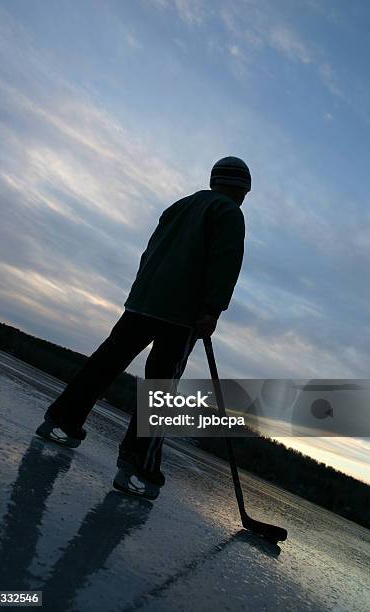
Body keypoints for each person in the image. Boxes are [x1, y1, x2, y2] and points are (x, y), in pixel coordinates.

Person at [36, 156, 251, 499]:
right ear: (240, 187)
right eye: (244, 190)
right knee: (160, 388)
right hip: (181, 314)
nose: (244, 198)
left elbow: (151, 249)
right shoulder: (229, 212)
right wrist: (212, 310)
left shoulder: (180, 205)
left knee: (105, 363)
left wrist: (141, 292)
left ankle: (61, 421)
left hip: (144, 300)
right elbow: (225, 263)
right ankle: (138, 466)